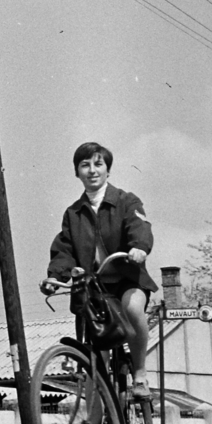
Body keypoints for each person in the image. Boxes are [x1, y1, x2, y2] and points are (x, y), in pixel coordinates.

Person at [47, 141, 158, 399]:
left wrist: (139, 247)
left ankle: (139, 375)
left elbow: (139, 226)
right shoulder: (73, 213)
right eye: (85, 165)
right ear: (77, 173)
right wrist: (55, 276)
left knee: (132, 308)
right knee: (97, 363)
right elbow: (64, 248)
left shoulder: (126, 201)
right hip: (96, 289)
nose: (92, 170)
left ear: (108, 170)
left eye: (98, 164)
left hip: (128, 279)